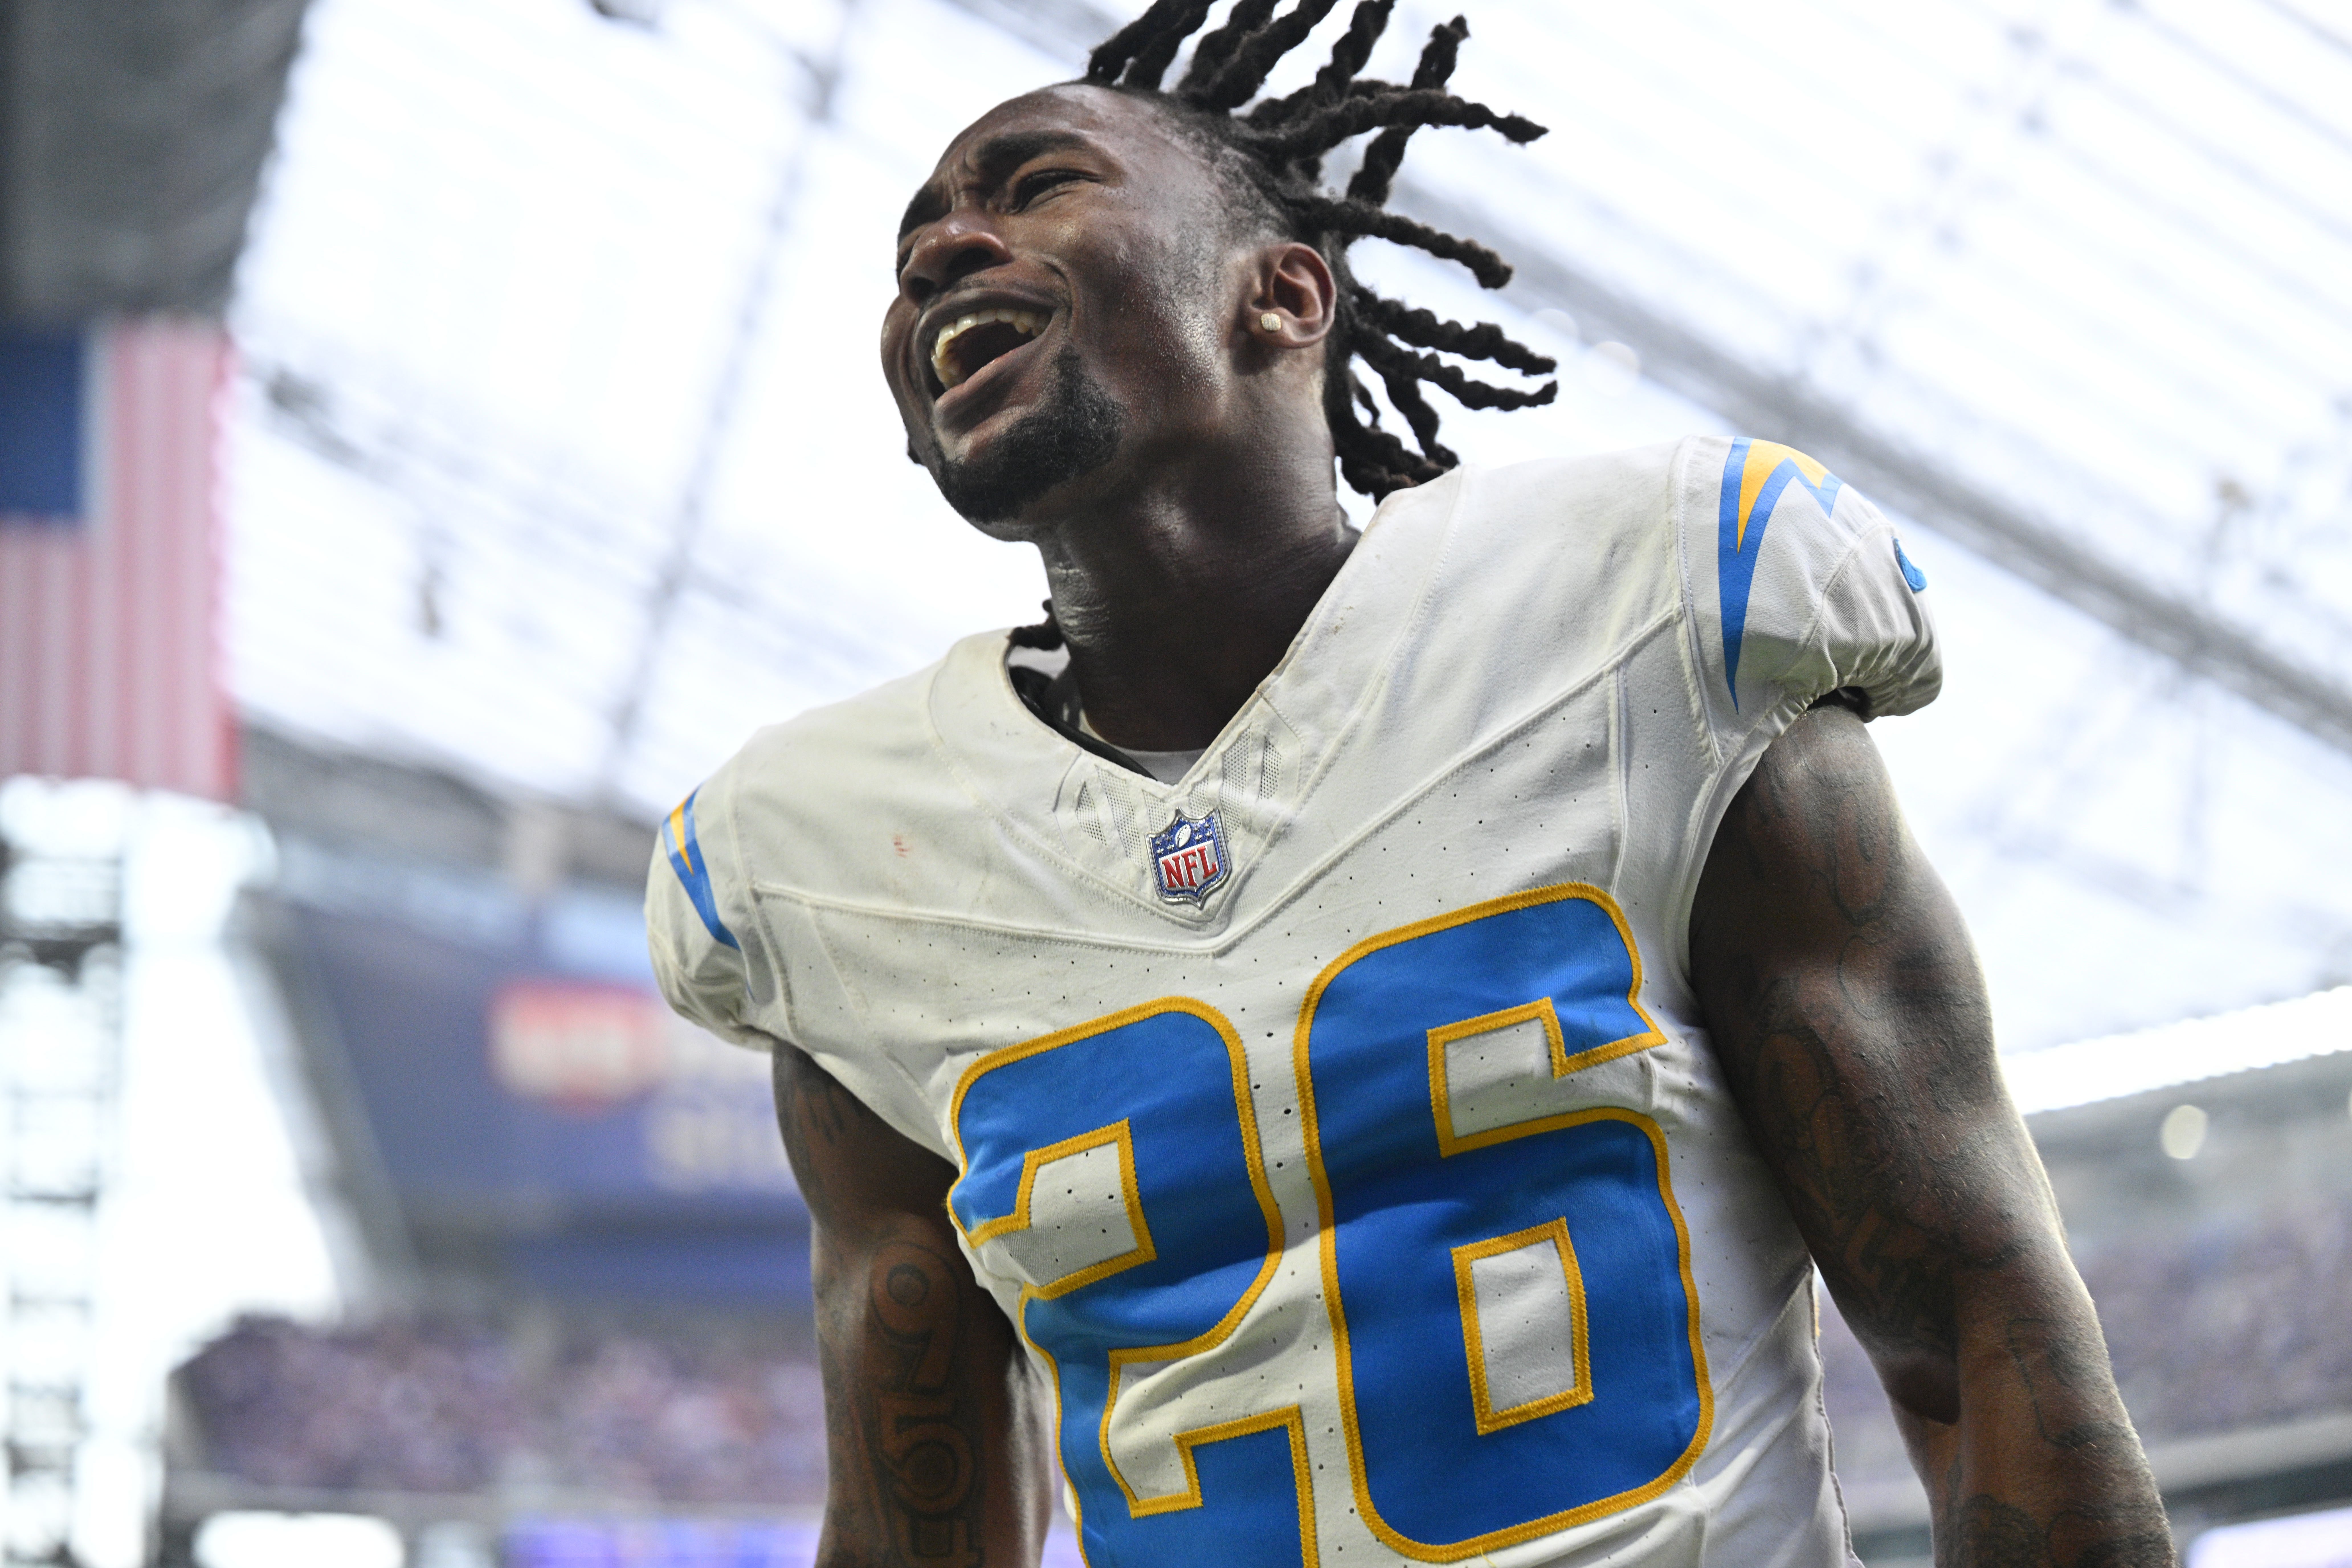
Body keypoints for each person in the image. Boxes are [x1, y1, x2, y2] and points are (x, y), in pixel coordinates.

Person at [647, 2, 2173, 1563]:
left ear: (1284, 293)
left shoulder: (1639, 621)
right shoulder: (825, 867)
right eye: (916, 240)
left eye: (1036, 186)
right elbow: (921, 1536)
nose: (943, 253)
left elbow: (1979, 1334)